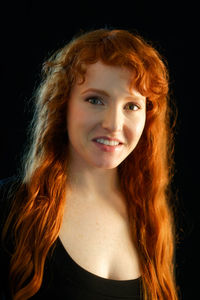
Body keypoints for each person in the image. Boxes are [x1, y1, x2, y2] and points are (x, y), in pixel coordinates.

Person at [0, 28, 178, 300]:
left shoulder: (151, 218)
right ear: (62, 105)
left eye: (131, 106)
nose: (113, 124)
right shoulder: (10, 208)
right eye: (95, 100)